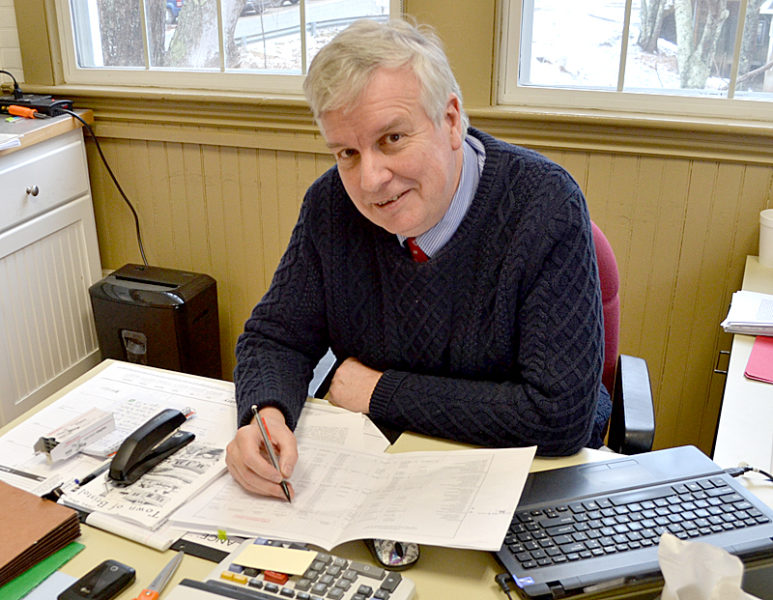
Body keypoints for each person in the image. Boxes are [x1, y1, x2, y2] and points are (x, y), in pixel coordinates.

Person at [226, 18, 611, 500]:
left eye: (392, 139)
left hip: (519, 485)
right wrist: (263, 414)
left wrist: (379, 392)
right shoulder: (330, 205)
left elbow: (561, 415)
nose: (369, 181)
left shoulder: (545, 206)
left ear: (451, 121)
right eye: (347, 151)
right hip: (381, 476)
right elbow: (275, 336)